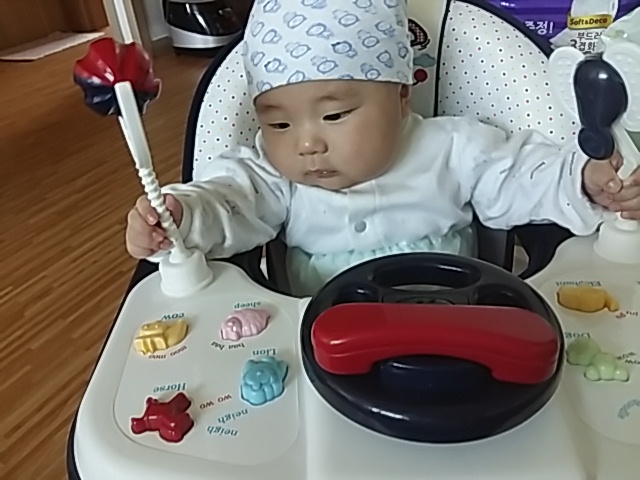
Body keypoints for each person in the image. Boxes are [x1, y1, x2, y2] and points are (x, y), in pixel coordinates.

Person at [125, 0, 640, 296]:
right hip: (319, 348)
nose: (306, 143)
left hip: (459, 331)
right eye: (278, 123)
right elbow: (227, 199)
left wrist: (583, 179)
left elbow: (522, 175)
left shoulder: (453, 148)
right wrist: (179, 217)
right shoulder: (273, 175)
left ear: (400, 97)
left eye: (334, 115)